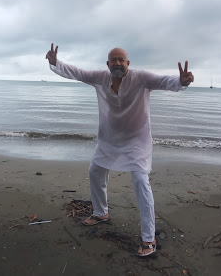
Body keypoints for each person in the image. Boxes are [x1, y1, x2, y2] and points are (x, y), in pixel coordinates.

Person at [45, 43, 194, 257]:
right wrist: (55, 63)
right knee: (95, 171)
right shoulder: (100, 78)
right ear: (107, 64)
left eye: (121, 60)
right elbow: (77, 73)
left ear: (128, 63)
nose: (117, 63)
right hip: (109, 139)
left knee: (140, 181)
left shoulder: (141, 78)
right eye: (113, 60)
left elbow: (164, 81)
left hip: (137, 140)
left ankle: (148, 237)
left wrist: (180, 81)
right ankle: (100, 212)